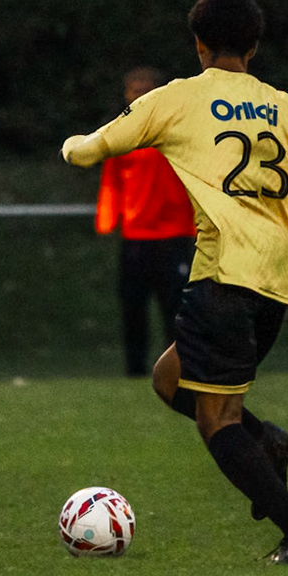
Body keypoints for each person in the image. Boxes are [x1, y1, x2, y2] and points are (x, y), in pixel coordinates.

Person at [62, 0, 288, 565]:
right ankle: (266, 440)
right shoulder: (285, 105)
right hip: (281, 278)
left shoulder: (177, 98)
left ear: (199, 45)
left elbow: (90, 151)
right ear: (254, 47)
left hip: (224, 273)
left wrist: (70, 144)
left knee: (215, 419)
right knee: (169, 379)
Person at [94, 67, 197, 377]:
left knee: (176, 309)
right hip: (136, 236)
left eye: (145, 89)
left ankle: (178, 368)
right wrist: (107, 220)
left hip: (174, 234)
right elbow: (112, 181)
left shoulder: (179, 129)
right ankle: (135, 371)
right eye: (133, 90)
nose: (138, 95)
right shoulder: (121, 133)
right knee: (133, 306)